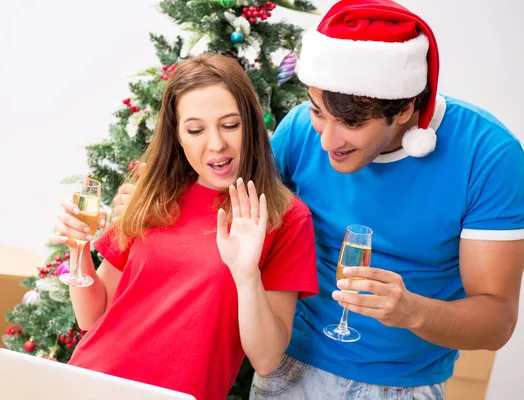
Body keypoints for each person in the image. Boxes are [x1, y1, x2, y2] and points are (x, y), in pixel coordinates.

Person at [112, 1, 524, 398]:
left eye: (351, 123)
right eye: (317, 112)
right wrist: (144, 203)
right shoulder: (299, 132)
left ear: (404, 109)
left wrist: (412, 311)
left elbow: (496, 323)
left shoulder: (487, 155)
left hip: (401, 385)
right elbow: (227, 206)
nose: (326, 141)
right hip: (287, 371)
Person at [50, 53, 319, 400]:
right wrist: (78, 248)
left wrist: (246, 275)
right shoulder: (152, 194)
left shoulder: (285, 217)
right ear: (178, 135)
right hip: (91, 383)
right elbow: (92, 315)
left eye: (230, 124)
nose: (217, 143)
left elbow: (266, 359)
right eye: (195, 129)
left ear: (251, 124)